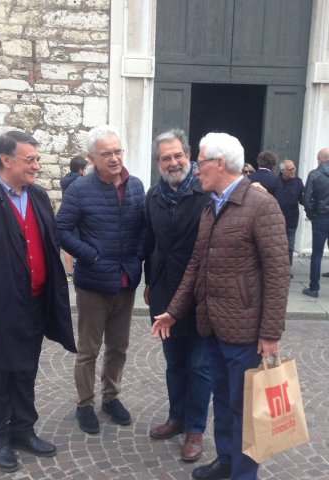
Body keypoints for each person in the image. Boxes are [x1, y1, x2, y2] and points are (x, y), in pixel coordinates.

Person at [152, 132, 290, 480]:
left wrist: (271, 333)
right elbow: (196, 266)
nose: (195, 169)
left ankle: (244, 474)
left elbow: (278, 273)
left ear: (219, 163)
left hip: (245, 332)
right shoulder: (211, 205)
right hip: (212, 325)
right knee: (225, 401)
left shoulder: (261, 205)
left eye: (199, 161)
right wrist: (174, 310)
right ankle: (227, 461)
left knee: (246, 409)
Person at [0, 131, 77, 473]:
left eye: (36, 159)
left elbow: (48, 243)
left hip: (34, 304)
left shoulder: (40, 197)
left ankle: (23, 430)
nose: (37, 165)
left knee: (26, 371)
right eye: (30, 159)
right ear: (6, 159)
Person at [56, 125, 146, 434]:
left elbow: (143, 226)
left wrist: (139, 256)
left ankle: (111, 398)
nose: (115, 158)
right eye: (107, 153)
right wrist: (89, 255)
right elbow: (62, 230)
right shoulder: (80, 190)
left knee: (119, 347)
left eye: (118, 151)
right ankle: (85, 404)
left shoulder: (135, 185)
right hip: (93, 283)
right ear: (92, 158)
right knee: (89, 349)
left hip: (126, 280)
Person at [144, 129, 211, 462]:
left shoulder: (208, 194)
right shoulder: (153, 196)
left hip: (200, 296)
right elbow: (150, 244)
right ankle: (177, 417)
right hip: (164, 295)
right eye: (165, 157)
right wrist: (149, 281)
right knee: (174, 364)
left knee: (199, 365)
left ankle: (195, 429)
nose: (172, 162)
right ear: (158, 162)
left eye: (177, 155)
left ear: (189, 156)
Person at [302, 148, 329, 298]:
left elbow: (307, 199)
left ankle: (314, 288)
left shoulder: (315, 174)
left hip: (321, 217)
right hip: (322, 215)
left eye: (318, 159)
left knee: (317, 254)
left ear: (322, 159)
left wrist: (312, 215)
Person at [60, 155, 88, 280]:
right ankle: (80, 267)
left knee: (68, 242)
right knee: (81, 240)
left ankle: (69, 272)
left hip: (66, 212)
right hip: (79, 215)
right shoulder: (82, 182)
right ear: (81, 169)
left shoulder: (64, 180)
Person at [279, 159, 304, 268]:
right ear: (283, 171)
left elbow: (303, 200)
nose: (294, 170)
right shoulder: (275, 181)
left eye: (294, 168)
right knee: (277, 246)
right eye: (290, 169)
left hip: (291, 219)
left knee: (290, 246)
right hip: (277, 220)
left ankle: (287, 269)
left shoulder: (298, 182)